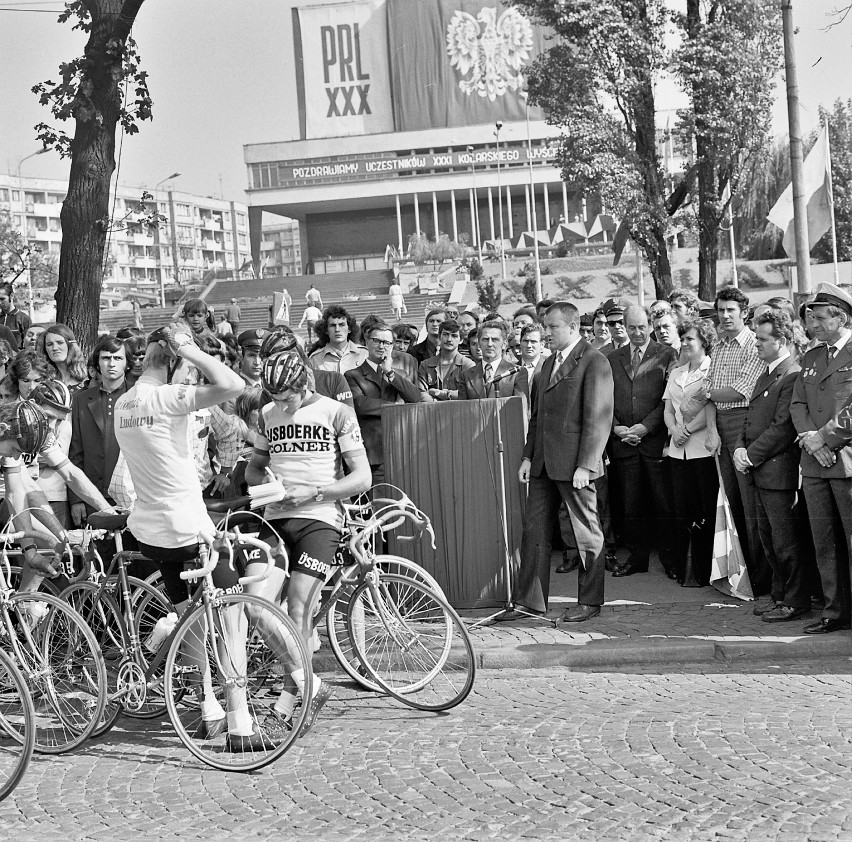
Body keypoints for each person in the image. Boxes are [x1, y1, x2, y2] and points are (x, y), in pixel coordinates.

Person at [114, 322, 276, 748]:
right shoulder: (167, 398)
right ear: (173, 361)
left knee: (191, 619)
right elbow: (234, 384)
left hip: (152, 531)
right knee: (229, 621)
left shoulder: (124, 403)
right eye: (186, 368)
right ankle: (240, 725)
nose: (191, 377)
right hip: (189, 529)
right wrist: (190, 348)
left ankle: (208, 707)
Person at [245, 351, 371, 733]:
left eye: (288, 398)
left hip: (320, 519)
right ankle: (309, 688)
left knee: (298, 610)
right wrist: (266, 485)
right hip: (276, 519)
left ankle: (288, 704)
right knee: (256, 607)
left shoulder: (336, 412)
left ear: (305, 385)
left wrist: (317, 494)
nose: (282, 405)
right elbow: (253, 468)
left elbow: (361, 477)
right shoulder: (268, 415)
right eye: (275, 398)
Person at [512, 302, 614, 622]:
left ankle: (590, 601)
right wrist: (528, 456)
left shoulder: (594, 361)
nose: (546, 333)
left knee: (586, 532)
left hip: (576, 465)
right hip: (543, 463)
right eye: (545, 326)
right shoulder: (545, 364)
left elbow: (599, 418)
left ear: (572, 327)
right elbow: (538, 418)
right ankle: (529, 601)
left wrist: (586, 464)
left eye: (552, 327)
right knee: (534, 532)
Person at [732, 310, 808, 623]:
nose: (757, 345)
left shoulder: (792, 375)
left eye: (762, 340)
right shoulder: (767, 372)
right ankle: (779, 594)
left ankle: (795, 600)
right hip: (761, 471)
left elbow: (783, 427)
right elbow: (750, 417)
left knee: (785, 540)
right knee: (769, 538)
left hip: (777, 472)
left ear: (780, 340)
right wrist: (738, 445)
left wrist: (750, 455)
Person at [791, 282, 852, 634]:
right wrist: (813, 442)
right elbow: (798, 404)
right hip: (815, 463)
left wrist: (825, 438)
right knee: (824, 541)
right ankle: (834, 611)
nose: (812, 323)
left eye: (818, 317)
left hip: (845, 461)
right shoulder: (812, 356)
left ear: (840, 317)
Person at [702, 286, 767, 593]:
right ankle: (739, 574)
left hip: (745, 425)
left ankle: (761, 578)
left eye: (731, 310)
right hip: (722, 427)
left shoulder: (754, 345)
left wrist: (705, 393)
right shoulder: (718, 347)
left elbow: (741, 391)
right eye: (721, 310)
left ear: (744, 312)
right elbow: (713, 397)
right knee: (730, 503)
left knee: (750, 504)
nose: (725, 315)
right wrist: (712, 431)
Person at [607, 305, 678, 579]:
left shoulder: (667, 354)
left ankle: (670, 559)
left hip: (655, 441)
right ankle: (637, 557)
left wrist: (646, 427)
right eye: (631, 327)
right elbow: (605, 399)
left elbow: (669, 398)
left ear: (650, 325)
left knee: (663, 504)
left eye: (641, 327)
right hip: (624, 442)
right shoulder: (612, 358)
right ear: (624, 326)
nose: (637, 333)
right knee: (631, 505)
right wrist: (617, 428)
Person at [663, 319, 718, 587]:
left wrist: (688, 430)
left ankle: (704, 570)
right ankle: (685, 569)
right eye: (682, 338)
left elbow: (711, 406)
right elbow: (668, 409)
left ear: (703, 342)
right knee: (681, 510)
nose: (684, 343)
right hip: (677, 452)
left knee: (704, 510)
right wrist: (674, 429)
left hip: (701, 451)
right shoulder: (676, 372)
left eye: (690, 339)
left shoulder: (712, 369)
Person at [346, 322, 421, 484]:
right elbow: (360, 404)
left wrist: (390, 372)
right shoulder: (352, 375)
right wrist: (395, 408)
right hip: (372, 453)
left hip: (400, 449)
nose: (382, 346)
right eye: (377, 341)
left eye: (387, 343)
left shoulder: (398, 374)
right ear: (367, 342)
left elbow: (415, 397)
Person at [68, 335, 131, 527]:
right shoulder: (80, 400)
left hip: (133, 495)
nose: (111, 363)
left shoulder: (140, 396)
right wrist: (77, 499)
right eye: (106, 358)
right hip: (92, 496)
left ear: (127, 363)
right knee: (98, 555)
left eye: (117, 358)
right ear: (97, 363)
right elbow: (75, 452)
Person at [456, 321, 529, 406]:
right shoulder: (466, 375)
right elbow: (462, 410)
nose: (489, 344)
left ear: (504, 344)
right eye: (485, 339)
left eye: (495, 340)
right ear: (479, 343)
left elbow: (521, 409)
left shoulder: (517, 373)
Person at [418, 319, 474, 401]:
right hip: (432, 411)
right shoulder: (425, 365)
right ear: (439, 336)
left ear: (461, 340)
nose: (449, 339)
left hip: (460, 411)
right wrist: (437, 404)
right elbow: (421, 393)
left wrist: (442, 394)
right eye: (445, 334)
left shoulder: (468, 365)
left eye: (454, 336)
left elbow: (469, 394)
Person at [308, 306, 367, 374]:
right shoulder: (315, 359)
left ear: (349, 329)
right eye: (333, 325)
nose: (337, 330)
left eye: (341, 325)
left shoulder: (364, 354)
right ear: (326, 330)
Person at [38, 324, 88, 392]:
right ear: (45, 350)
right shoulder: (43, 380)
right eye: (50, 344)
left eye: (60, 343)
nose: (55, 348)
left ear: (70, 345)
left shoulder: (89, 378)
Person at [0, 282, 30, 348]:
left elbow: (29, 345)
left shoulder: (23, 318)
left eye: (2, 299)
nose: (0, 302)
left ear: (11, 296)